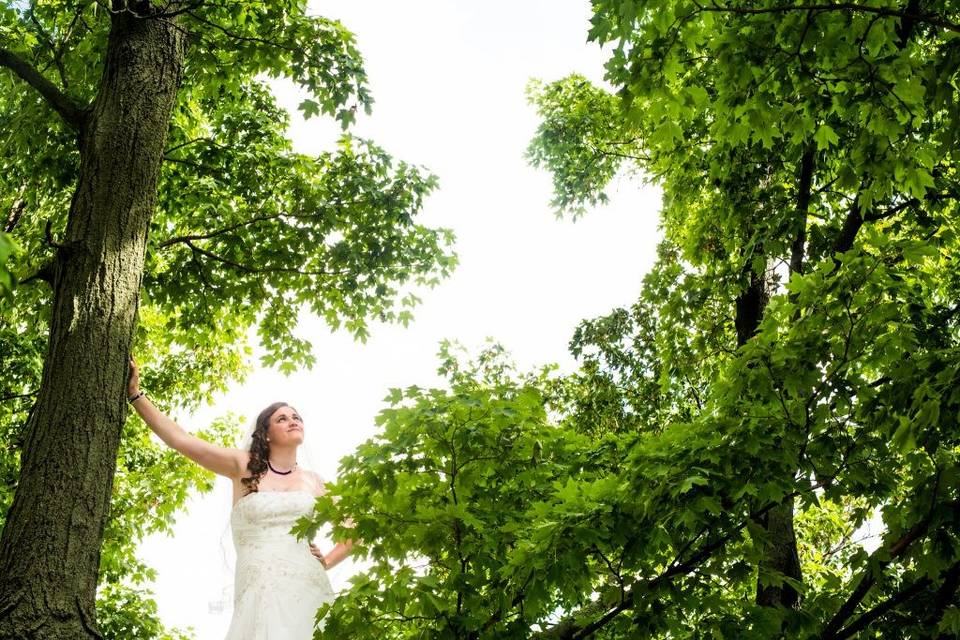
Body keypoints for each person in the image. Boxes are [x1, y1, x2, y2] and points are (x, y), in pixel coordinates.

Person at [126, 356, 354, 639]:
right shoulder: (243, 466)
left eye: (296, 417)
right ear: (266, 434)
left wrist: (328, 561)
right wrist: (136, 395)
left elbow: (355, 528)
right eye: (282, 418)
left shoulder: (315, 482)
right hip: (259, 588)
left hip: (308, 586)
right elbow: (182, 440)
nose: (293, 421)